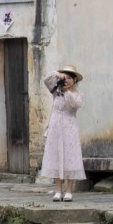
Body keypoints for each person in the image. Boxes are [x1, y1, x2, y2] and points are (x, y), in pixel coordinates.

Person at [39, 65, 85, 202]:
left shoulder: (77, 94)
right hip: (55, 125)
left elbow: (75, 104)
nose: (67, 80)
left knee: (70, 156)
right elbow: (47, 79)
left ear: (75, 80)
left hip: (69, 126)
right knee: (55, 156)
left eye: (70, 78)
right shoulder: (56, 91)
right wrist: (58, 75)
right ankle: (58, 190)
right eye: (66, 77)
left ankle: (69, 190)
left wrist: (67, 91)